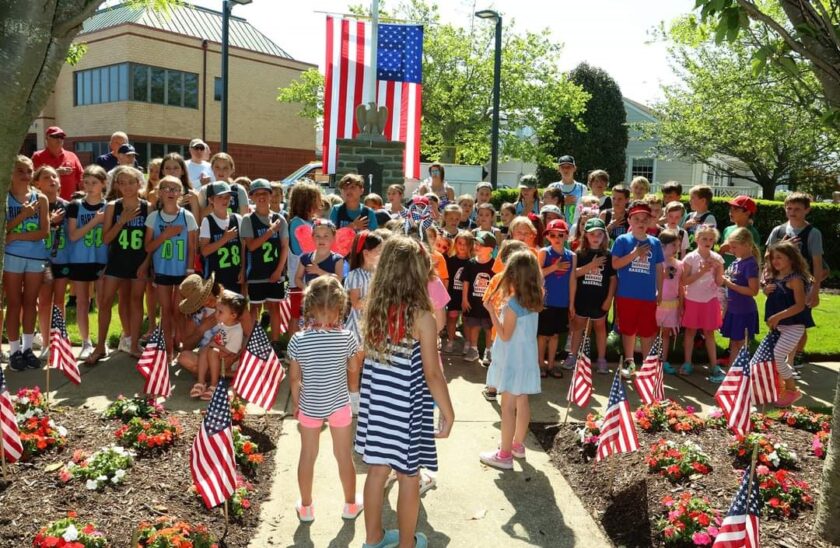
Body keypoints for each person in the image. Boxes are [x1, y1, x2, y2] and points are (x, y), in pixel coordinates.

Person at [355, 236, 454, 548]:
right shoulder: (421, 317)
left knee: (376, 472)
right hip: (405, 411)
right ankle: (406, 544)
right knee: (409, 477)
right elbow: (432, 373)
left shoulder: (373, 310)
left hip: (376, 407)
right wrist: (448, 412)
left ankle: (372, 539)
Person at [288, 276, 364, 522]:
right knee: (343, 456)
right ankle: (350, 505)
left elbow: (294, 379)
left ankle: (307, 507)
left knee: (308, 455)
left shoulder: (298, 340)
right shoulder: (347, 338)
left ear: (309, 306)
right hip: (339, 404)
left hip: (310, 405)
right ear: (341, 308)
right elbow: (353, 369)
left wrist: (298, 403)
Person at [479, 251, 543, 470]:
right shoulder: (535, 300)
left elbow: (505, 335)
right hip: (526, 361)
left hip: (512, 362)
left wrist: (491, 312)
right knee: (522, 401)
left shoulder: (514, 304)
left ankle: (504, 454)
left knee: (507, 407)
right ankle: (517, 444)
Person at [93, 166, 150, 362]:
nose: (127, 186)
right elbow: (106, 239)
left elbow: (151, 242)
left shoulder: (147, 207)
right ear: (116, 185)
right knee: (105, 301)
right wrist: (121, 221)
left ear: (138, 184)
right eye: (122, 182)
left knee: (136, 301)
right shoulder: (112, 207)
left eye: (131, 182)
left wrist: (146, 264)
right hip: (117, 261)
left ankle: (133, 345)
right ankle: (100, 347)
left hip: (138, 262)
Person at [766, 192, 825, 369]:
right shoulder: (779, 230)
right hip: (780, 282)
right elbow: (768, 255)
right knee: (783, 318)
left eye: (797, 209)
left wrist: (815, 290)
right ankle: (784, 356)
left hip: (802, 283)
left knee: (800, 319)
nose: (792, 212)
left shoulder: (812, 233)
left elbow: (817, 263)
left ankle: (796, 355)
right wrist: (782, 244)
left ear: (807, 210)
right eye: (789, 208)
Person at [145, 175, 199, 359]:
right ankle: (168, 348)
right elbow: (148, 247)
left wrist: (190, 271)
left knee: (179, 310)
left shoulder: (187, 216)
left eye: (175, 189)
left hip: (182, 272)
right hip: (162, 271)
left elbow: (192, 247)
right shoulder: (153, 217)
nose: (171, 192)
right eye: (166, 188)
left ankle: (181, 343)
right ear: (159, 193)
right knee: (165, 310)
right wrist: (165, 235)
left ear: (181, 194)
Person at [5, 156, 49, 371]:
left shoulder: (40, 199)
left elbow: (43, 231)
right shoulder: (5, 198)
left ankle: (28, 348)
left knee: (31, 303)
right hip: (11, 257)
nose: (25, 175)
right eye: (20, 171)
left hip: (36, 257)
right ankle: (14, 351)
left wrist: (16, 236)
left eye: (29, 171)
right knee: (14, 303)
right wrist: (23, 215)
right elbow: (4, 233)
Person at [611, 201, 665, 377]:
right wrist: (634, 254)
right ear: (630, 220)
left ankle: (648, 365)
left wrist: (660, 290)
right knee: (628, 329)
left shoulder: (655, 242)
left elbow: (659, 269)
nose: (641, 222)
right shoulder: (622, 240)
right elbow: (616, 263)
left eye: (644, 219)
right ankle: (630, 362)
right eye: (637, 219)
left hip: (647, 295)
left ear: (650, 221)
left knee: (648, 330)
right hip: (627, 294)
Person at [67, 165, 109, 362]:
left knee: (103, 301)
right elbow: (73, 235)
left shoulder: (110, 206)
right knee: (83, 302)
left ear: (103, 184)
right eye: (86, 182)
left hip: (102, 259)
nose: (90, 186)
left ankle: (102, 342)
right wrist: (94, 221)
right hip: (80, 259)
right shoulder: (75, 205)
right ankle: (86, 342)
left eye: (94, 183)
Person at [241, 179, 289, 347]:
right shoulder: (247, 219)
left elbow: (284, 247)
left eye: (265, 193)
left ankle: (275, 343)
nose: (261, 197)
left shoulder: (280, 219)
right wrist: (270, 232)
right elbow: (252, 246)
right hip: (256, 272)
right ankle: (252, 341)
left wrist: (279, 270)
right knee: (254, 308)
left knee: (274, 308)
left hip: (274, 271)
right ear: (252, 197)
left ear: (271, 195)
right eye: (257, 194)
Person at [764, 241, 812, 407]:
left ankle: (792, 391)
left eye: (779, 257)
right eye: (773, 257)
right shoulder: (776, 277)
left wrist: (777, 317)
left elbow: (799, 305)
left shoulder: (795, 279)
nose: (775, 261)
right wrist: (766, 291)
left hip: (793, 326)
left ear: (791, 259)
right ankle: (782, 386)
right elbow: (778, 298)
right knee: (774, 357)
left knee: (778, 356)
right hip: (780, 326)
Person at [712, 227, 761, 383]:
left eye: (734, 247)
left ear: (746, 244)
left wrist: (728, 283)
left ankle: (741, 375)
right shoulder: (736, 261)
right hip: (732, 309)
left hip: (744, 311)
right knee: (734, 343)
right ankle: (732, 376)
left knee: (741, 343)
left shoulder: (750, 264)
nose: (731, 250)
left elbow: (753, 291)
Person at [344, 230, 385, 415]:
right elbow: (356, 303)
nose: (382, 253)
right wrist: (377, 301)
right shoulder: (355, 275)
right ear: (366, 253)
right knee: (356, 363)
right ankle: (353, 397)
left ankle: (371, 397)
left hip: (377, 325)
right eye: (379, 250)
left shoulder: (383, 274)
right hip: (358, 326)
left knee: (375, 364)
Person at [568, 218, 616, 375]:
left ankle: (601, 359)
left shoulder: (608, 255)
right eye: (592, 234)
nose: (596, 237)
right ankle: (572, 355)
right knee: (577, 327)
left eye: (600, 234)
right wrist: (590, 266)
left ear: (604, 236)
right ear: (585, 236)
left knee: (600, 329)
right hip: (582, 299)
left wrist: (609, 299)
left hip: (600, 300)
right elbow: (573, 274)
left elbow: (613, 279)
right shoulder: (579, 254)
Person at [34, 166, 69, 361]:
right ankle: (46, 342)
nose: (52, 180)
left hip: (62, 260)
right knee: (45, 301)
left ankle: (59, 341)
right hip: (43, 261)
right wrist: (50, 220)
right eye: (46, 177)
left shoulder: (68, 205)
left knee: (59, 302)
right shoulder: (36, 205)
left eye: (54, 176)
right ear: (37, 183)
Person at [680, 225, 724, 375]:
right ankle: (687, 363)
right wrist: (701, 271)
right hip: (692, 299)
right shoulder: (690, 257)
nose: (708, 241)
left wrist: (718, 270)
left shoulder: (717, 258)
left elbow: (719, 282)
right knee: (690, 332)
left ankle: (713, 364)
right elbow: (684, 281)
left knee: (709, 333)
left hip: (710, 300)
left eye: (711, 239)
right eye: (704, 238)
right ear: (697, 239)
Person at [189, 290, 245, 400]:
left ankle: (214, 385)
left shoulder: (237, 330)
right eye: (217, 311)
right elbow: (218, 339)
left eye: (220, 312)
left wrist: (215, 345)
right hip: (218, 354)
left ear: (233, 315)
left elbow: (231, 352)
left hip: (229, 359)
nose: (216, 314)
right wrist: (212, 344)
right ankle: (201, 382)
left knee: (212, 351)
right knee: (205, 350)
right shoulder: (223, 324)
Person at [538, 219, 575, 377]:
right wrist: (554, 267)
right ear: (547, 237)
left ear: (566, 236)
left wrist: (571, 303)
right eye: (552, 235)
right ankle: (540, 364)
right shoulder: (544, 252)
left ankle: (552, 364)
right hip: (546, 301)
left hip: (562, 301)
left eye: (560, 234)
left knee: (554, 335)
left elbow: (572, 279)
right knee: (543, 335)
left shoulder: (572, 255)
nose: (556, 238)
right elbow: (538, 275)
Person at [287, 181, 323, 334]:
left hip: (313, 279)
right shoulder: (296, 223)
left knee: (312, 315)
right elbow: (307, 249)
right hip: (299, 280)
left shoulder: (312, 223)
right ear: (306, 201)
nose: (320, 203)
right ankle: (292, 349)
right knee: (296, 316)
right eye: (316, 199)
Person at [199, 181, 244, 292]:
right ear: (210, 200)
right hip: (215, 276)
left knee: (235, 307)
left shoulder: (238, 219)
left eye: (227, 197)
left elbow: (243, 247)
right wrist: (224, 239)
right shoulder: (207, 221)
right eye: (220, 197)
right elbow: (204, 251)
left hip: (235, 274)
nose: (225, 200)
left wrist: (243, 269)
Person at [461, 231, 496, 363]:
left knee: (488, 328)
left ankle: (489, 351)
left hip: (488, 304)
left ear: (490, 249)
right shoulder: (470, 263)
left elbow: (496, 284)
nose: (476, 246)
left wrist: (493, 301)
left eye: (481, 244)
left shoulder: (494, 265)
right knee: (474, 326)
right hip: (473, 302)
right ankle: (473, 349)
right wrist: (464, 299)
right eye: (476, 243)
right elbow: (466, 282)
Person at [656, 230, 684, 375]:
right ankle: (650, 360)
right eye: (673, 245)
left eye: (678, 245)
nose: (677, 248)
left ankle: (663, 360)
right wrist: (662, 275)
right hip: (656, 303)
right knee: (653, 332)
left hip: (672, 304)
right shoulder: (656, 262)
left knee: (666, 333)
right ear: (662, 245)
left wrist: (681, 304)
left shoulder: (679, 264)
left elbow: (680, 285)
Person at [32, 126, 83, 201]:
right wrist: (56, 172)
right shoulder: (38, 156)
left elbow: (82, 178)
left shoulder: (72, 156)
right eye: (55, 136)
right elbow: (32, 179)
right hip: (46, 203)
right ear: (47, 138)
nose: (59, 139)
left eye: (61, 137)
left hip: (70, 204)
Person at [444, 231, 474, 354]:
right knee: (452, 318)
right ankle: (450, 341)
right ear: (455, 244)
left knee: (467, 321)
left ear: (470, 246)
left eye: (466, 244)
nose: (462, 246)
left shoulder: (472, 262)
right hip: (453, 296)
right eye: (460, 243)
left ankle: (468, 342)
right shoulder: (450, 261)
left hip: (467, 297)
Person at [295, 219, 344, 288]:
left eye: (326, 236)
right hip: (311, 297)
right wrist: (306, 289)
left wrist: (319, 271)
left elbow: (338, 279)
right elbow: (297, 278)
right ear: (312, 237)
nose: (321, 239)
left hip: (330, 298)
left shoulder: (337, 259)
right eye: (317, 236)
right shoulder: (305, 258)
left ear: (333, 238)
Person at [719, 196, 760, 269]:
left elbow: (754, 257)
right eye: (730, 209)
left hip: (741, 275)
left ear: (747, 213)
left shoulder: (751, 233)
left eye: (736, 209)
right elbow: (721, 254)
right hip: (724, 273)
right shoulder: (727, 230)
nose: (731, 212)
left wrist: (730, 247)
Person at [546, 155, 586, 224]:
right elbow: (547, 208)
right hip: (556, 227)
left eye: (568, 167)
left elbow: (585, 209)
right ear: (558, 169)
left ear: (574, 168)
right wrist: (562, 202)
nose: (565, 170)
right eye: (563, 167)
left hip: (575, 227)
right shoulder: (552, 187)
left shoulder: (582, 188)